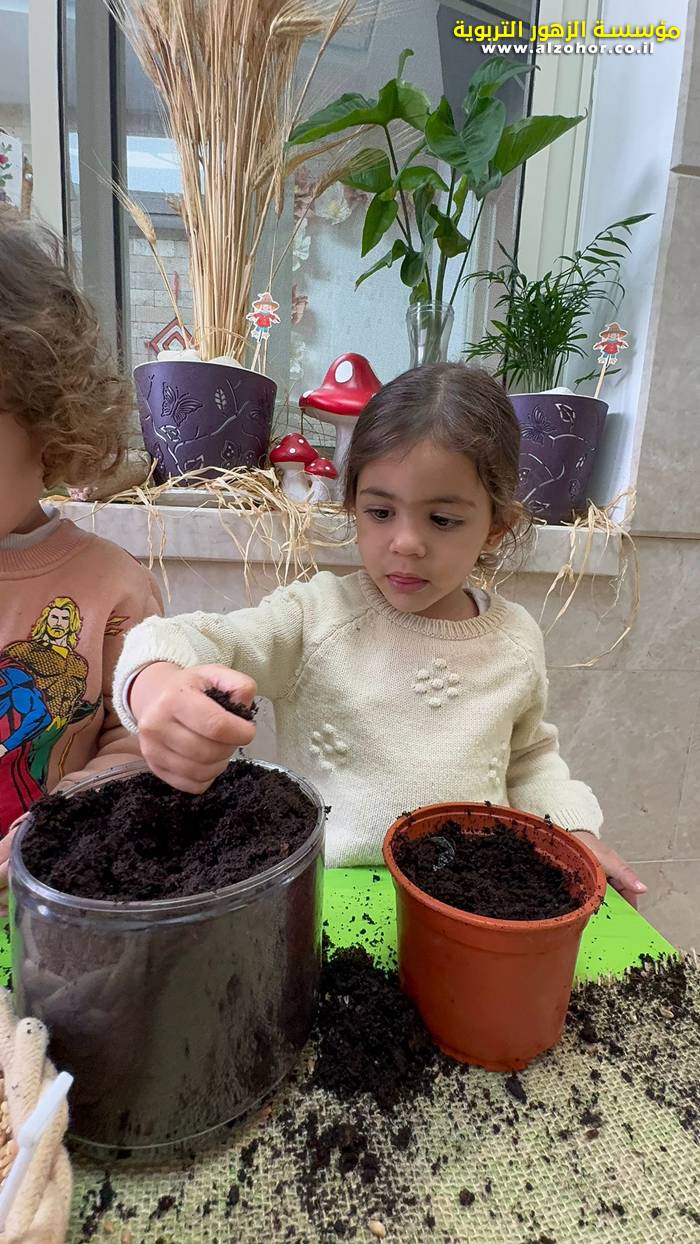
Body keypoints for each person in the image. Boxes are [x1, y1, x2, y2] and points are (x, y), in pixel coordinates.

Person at [113, 364, 645, 905]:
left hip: (472, 904)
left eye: (442, 519)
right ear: (353, 508)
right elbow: (186, 638)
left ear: (496, 526)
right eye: (381, 511)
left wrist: (572, 830)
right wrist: (155, 684)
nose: (406, 542)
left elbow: (529, 758)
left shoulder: (515, 638)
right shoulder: (316, 616)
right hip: (325, 899)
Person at [0, 207, 162, 866]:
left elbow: (135, 742)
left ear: (49, 424)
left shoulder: (113, 588)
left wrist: (57, 824)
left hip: (51, 895)